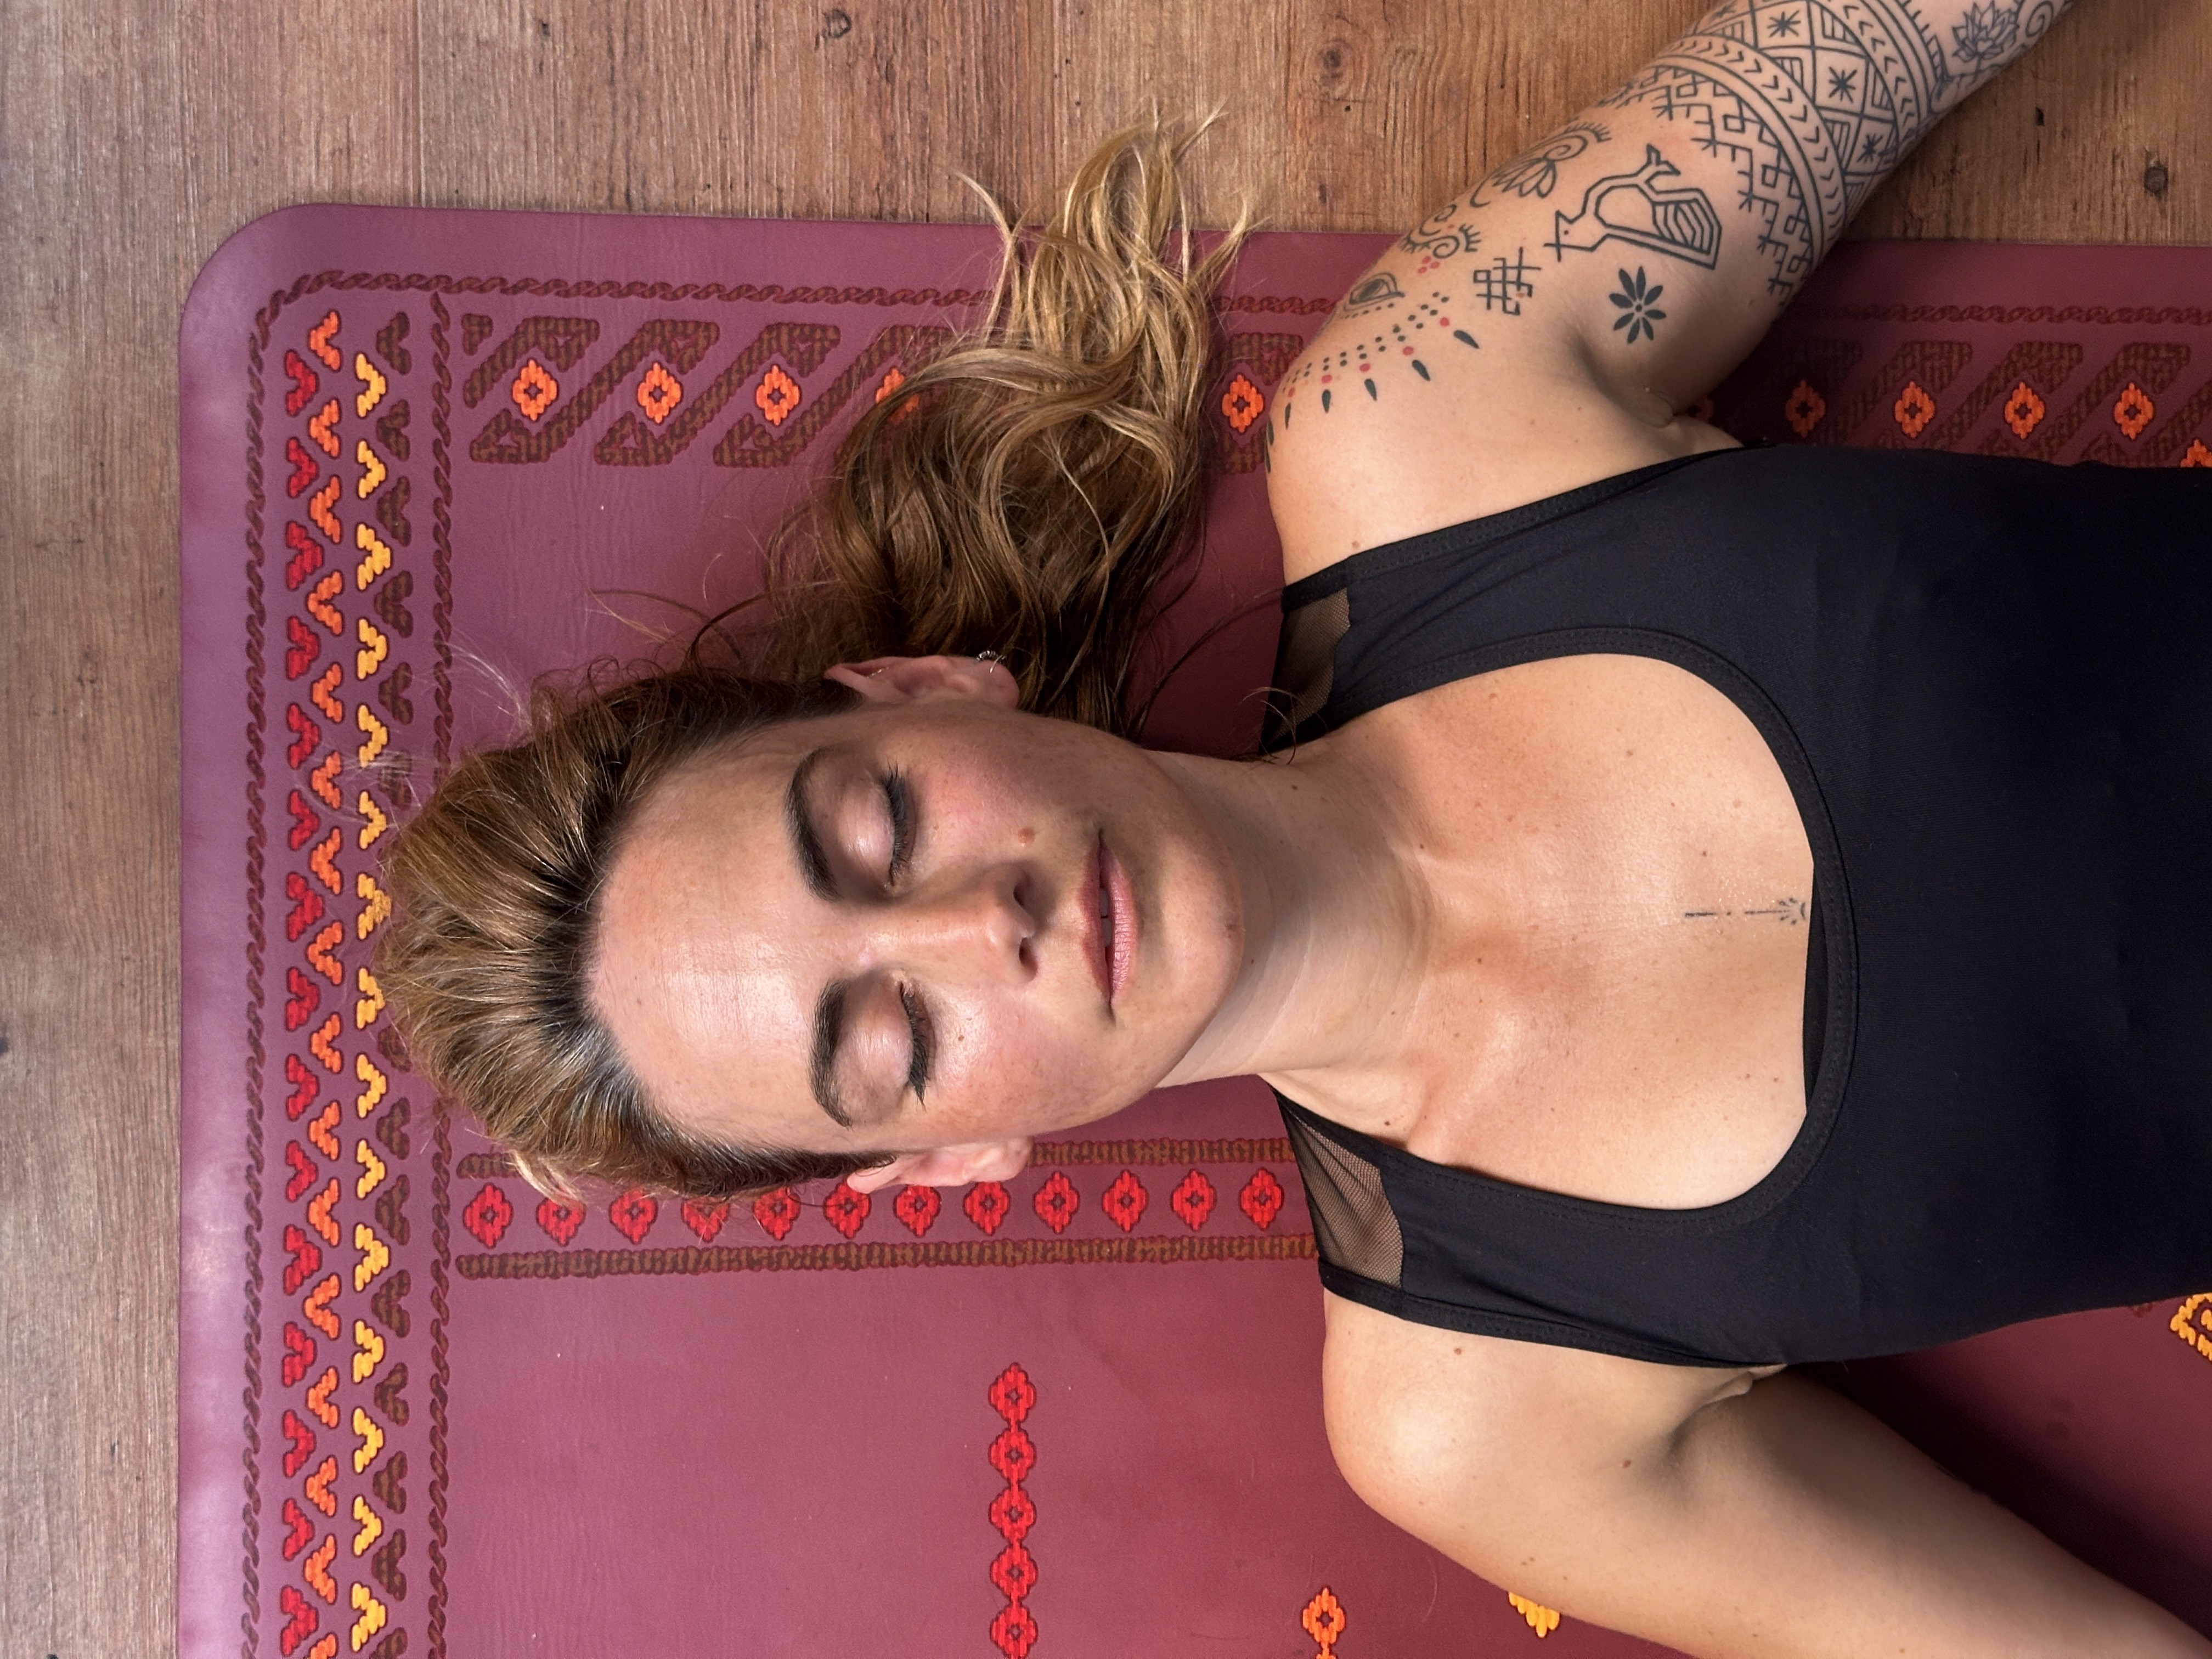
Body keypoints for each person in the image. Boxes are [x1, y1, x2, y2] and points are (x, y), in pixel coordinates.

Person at [379, 1, 2212, 1650]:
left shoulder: (1419, 418)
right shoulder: (1480, 1409)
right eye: (884, 1035)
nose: (974, 928)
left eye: (870, 837)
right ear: (941, 1162)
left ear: (927, 691)